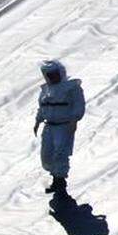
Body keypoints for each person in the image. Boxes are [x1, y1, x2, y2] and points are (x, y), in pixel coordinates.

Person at [34, 59, 85, 196]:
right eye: (49, 75)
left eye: (54, 74)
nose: (52, 77)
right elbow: (42, 107)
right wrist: (38, 121)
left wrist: (74, 120)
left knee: (60, 154)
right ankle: (55, 176)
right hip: (49, 126)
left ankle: (59, 181)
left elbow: (79, 105)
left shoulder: (71, 88)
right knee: (47, 156)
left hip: (64, 126)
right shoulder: (46, 90)